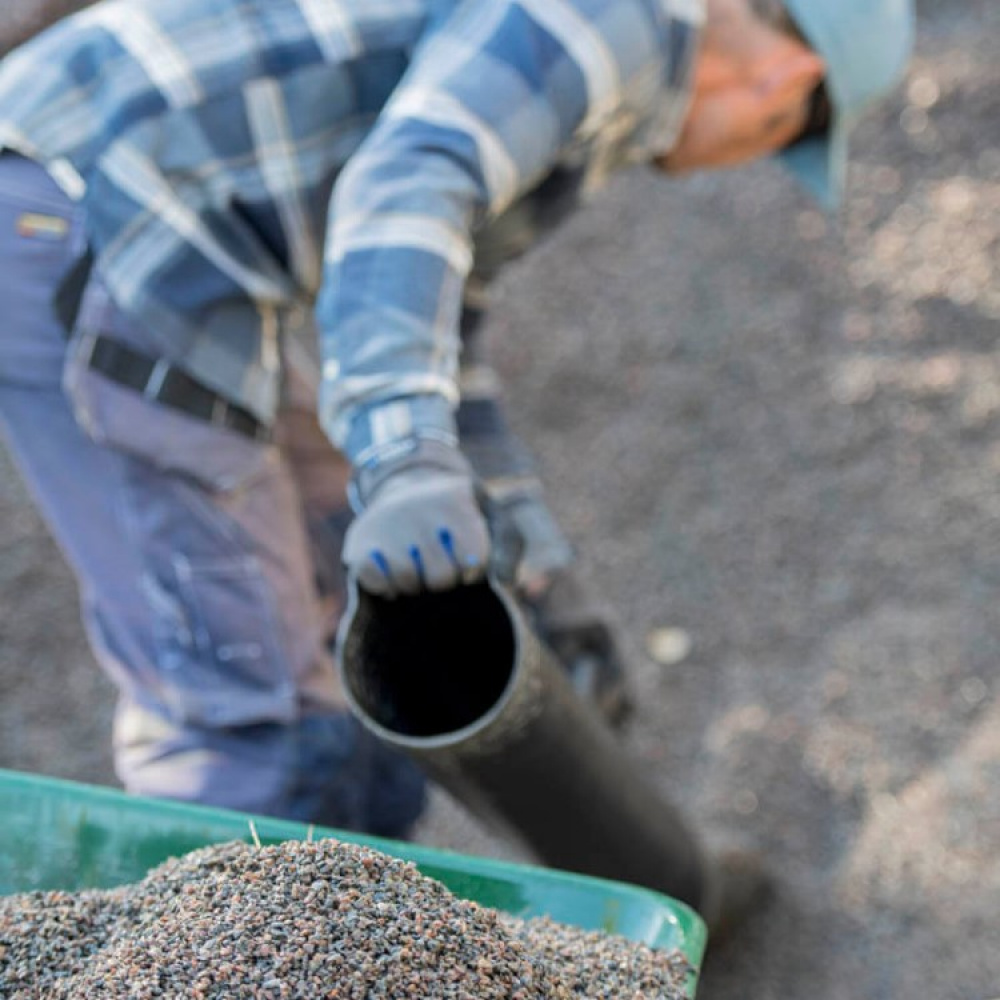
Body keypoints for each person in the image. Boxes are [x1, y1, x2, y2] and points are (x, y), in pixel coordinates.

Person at [0, 0, 914, 836]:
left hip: (188, 260)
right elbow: (405, 187)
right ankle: (207, 950)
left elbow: (443, 326)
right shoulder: (614, 19)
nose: (734, 160)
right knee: (253, 705)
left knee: (361, 614)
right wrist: (404, 462)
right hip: (81, 213)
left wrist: (540, 579)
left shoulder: (582, 88)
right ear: (783, 86)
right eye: (772, 144)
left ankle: (336, 939)